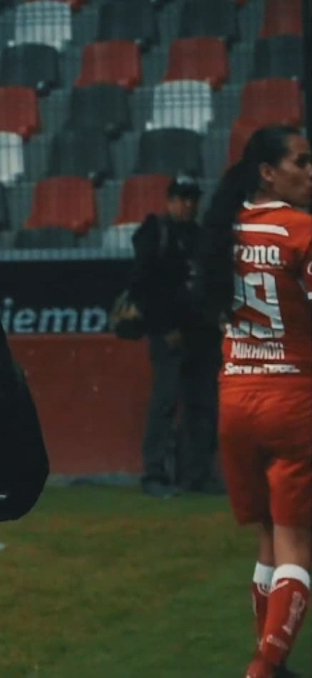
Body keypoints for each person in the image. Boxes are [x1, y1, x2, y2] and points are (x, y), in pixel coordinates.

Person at [194, 125, 312, 678]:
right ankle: (265, 667)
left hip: (236, 396)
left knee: (267, 538)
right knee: (296, 541)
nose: (309, 172)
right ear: (268, 172)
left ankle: (273, 665)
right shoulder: (300, 230)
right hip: (292, 397)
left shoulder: (224, 229)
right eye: (300, 161)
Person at [130, 175, 223, 498]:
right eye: (183, 198)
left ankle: (198, 473)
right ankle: (154, 473)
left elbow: (212, 283)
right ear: (169, 201)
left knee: (203, 406)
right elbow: (143, 286)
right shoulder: (155, 232)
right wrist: (163, 327)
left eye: (192, 199)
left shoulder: (201, 237)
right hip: (169, 334)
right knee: (165, 403)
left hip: (201, 334)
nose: (188, 205)